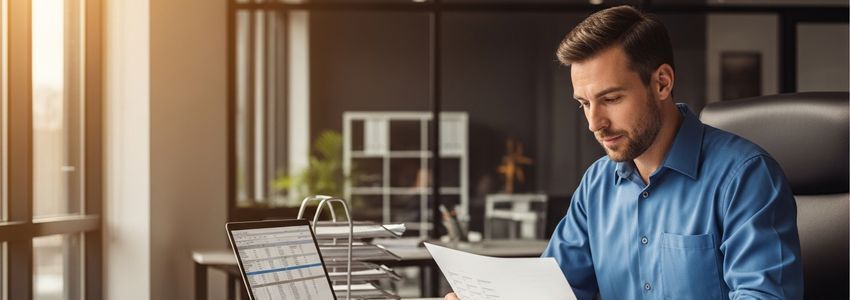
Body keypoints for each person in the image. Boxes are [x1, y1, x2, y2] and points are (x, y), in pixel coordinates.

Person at [445, 5, 802, 300]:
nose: (594, 123)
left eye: (611, 99)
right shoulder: (597, 183)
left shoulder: (744, 176)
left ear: (661, 82)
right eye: (583, 104)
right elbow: (554, 291)